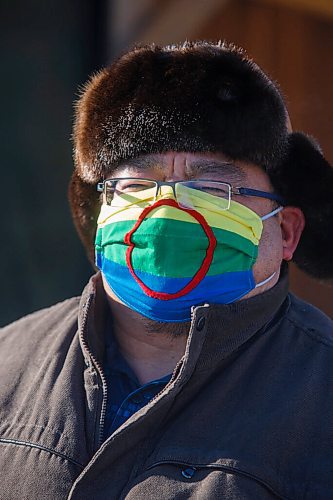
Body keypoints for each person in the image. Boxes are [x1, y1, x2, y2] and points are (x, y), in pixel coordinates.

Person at [1, 41, 333, 500]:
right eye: (137, 183)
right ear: (100, 218)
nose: (169, 209)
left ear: (287, 232)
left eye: (214, 186)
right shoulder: (8, 362)